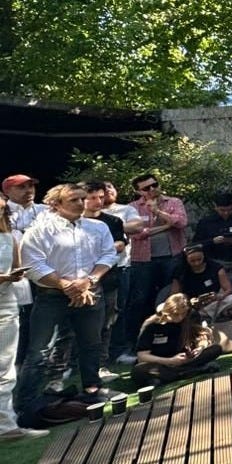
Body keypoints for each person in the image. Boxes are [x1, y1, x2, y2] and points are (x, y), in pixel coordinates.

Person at [16, 184, 117, 418]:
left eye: (83, 198)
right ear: (55, 203)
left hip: (90, 291)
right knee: (40, 351)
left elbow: (109, 255)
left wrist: (89, 281)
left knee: (91, 343)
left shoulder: (98, 227)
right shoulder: (39, 231)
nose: (81, 203)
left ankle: (92, 389)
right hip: (51, 296)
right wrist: (66, 285)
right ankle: (27, 402)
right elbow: (33, 264)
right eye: (74, 200)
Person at [43, 181, 128, 390]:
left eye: (101, 197)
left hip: (105, 282)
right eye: (90, 198)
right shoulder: (53, 227)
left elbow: (116, 247)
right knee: (65, 333)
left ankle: (98, 369)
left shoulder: (111, 221)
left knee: (103, 328)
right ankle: (57, 375)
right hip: (68, 287)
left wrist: (92, 277)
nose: (97, 201)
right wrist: (71, 285)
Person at [125, 173, 188, 365]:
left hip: (172, 257)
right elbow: (136, 234)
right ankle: (138, 343)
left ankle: (174, 340)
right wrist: (166, 226)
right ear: (138, 191)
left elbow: (181, 222)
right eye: (146, 188)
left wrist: (158, 212)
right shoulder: (132, 208)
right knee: (141, 300)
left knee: (170, 298)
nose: (152, 189)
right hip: (143, 260)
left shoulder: (173, 202)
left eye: (154, 185)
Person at [0, 202, 49, 440]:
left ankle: (6, 425)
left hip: (6, 304)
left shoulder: (9, 237)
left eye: (2, 208)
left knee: (5, 367)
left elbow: (17, 268)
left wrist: (15, 274)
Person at [4, 174, 47, 371]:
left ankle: (38, 364)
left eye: (31, 186)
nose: (29, 190)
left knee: (42, 323)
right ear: (7, 191)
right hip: (15, 276)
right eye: (21, 187)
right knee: (19, 321)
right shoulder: (3, 211)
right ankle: (17, 363)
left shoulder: (46, 211)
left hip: (44, 273)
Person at [132, 293, 222, 386]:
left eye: (183, 314)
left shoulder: (188, 318)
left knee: (216, 349)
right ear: (167, 311)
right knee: (139, 370)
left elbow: (201, 335)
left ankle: (172, 375)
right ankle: (192, 371)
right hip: (160, 362)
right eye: (176, 314)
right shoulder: (152, 325)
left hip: (183, 359)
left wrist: (200, 347)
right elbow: (142, 356)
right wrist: (170, 361)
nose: (180, 317)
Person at [101, 181, 143, 365]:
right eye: (103, 189)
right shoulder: (86, 213)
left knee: (119, 310)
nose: (108, 191)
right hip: (92, 269)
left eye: (111, 187)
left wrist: (110, 226)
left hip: (121, 266)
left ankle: (118, 351)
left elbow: (137, 227)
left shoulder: (125, 210)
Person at [171, 245, 232, 321]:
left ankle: (200, 314)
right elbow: (174, 294)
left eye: (199, 259)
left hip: (213, 302)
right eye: (192, 261)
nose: (197, 263)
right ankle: (217, 312)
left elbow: (229, 289)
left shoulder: (215, 268)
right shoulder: (180, 272)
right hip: (190, 303)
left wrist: (219, 296)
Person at [192, 192, 232, 271]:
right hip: (212, 260)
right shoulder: (206, 222)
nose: (226, 213)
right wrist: (213, 241)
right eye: (222, 210)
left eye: (230, 210)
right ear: (216, 207)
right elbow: (196, 244)